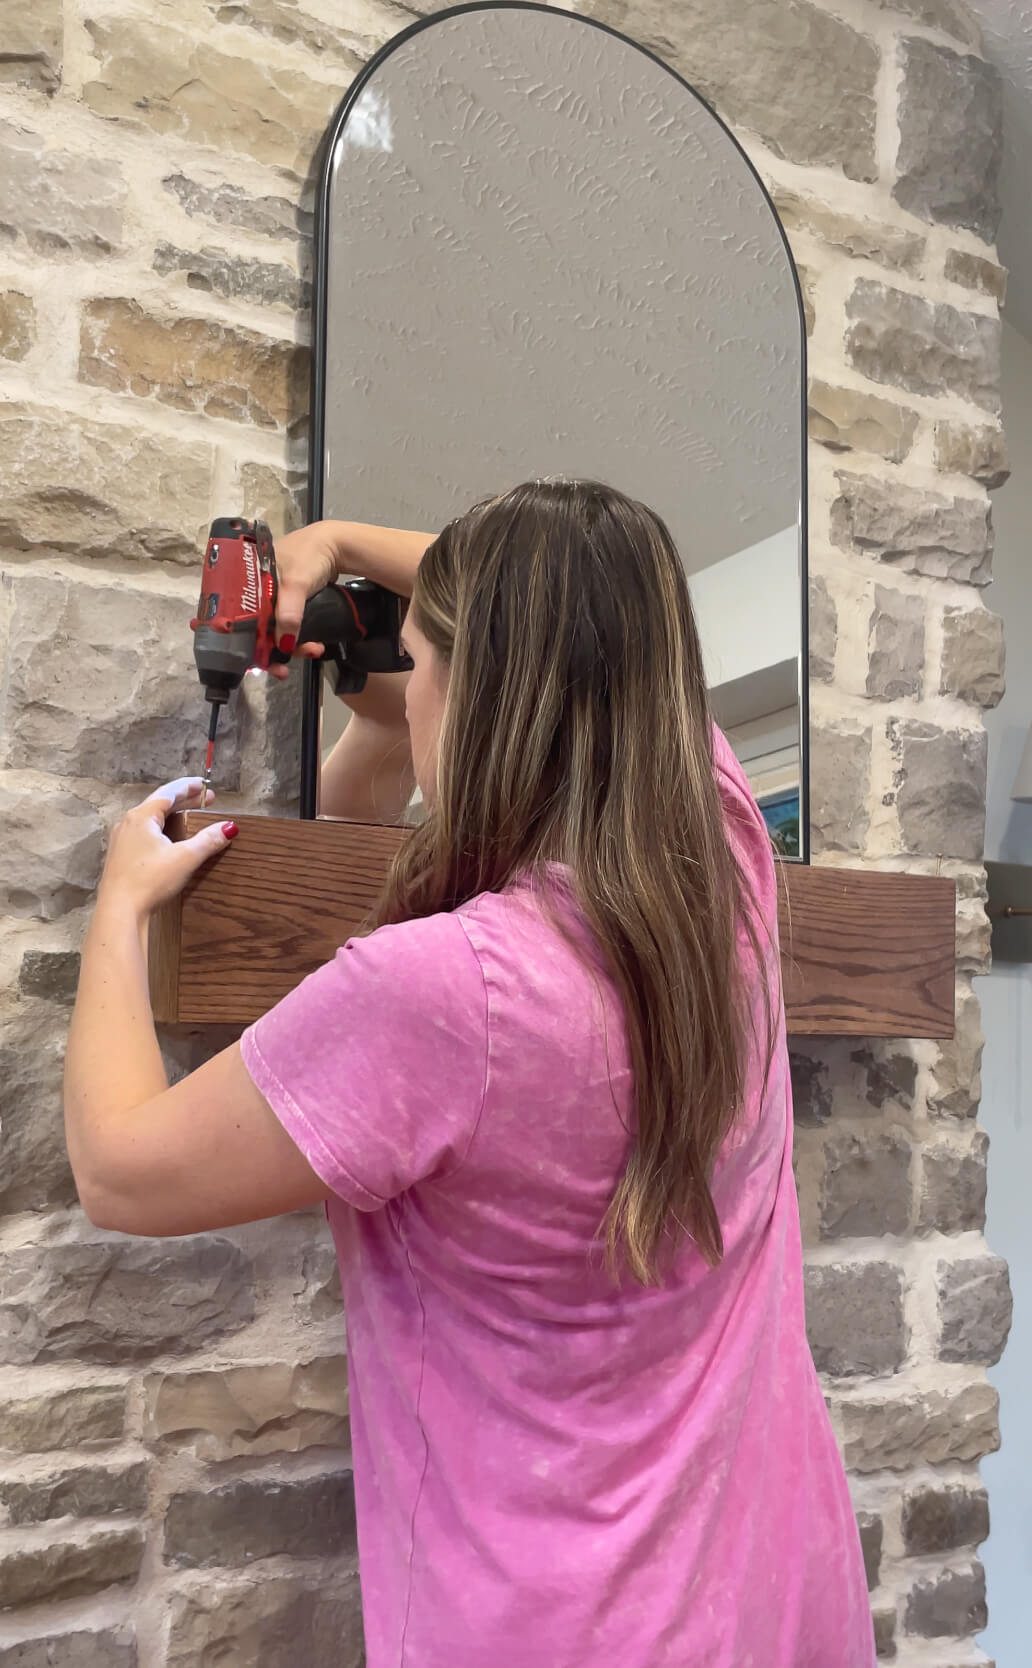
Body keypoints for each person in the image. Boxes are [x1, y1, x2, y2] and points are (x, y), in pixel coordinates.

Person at [64, 480, 873, 1667]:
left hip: (546, 1629)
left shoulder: (445, 993)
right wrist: (349, 596)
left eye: (423, 652)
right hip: (764, 1594)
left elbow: (120, 1172)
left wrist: (118, 909)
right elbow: (586, 610)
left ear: (474, 682)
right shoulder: (726, 871)